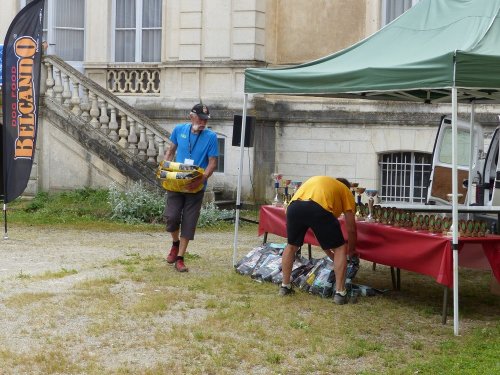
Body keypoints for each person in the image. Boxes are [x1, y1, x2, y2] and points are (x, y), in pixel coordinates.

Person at [279, 176, 357, 304]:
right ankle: (340, 293)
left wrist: (330, 254)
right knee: (341, 248)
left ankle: (285, 286)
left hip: (293, 207)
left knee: (291, 246)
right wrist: (352, 250)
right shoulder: (345, 190)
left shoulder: (323, 184)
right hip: (318, 209)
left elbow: (319, 232)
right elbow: (351, 228)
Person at [163, 103, 219, 272]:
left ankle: (180, 258)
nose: (203, 122)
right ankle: (175, 243)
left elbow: (213, 163)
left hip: (196, 186)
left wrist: (202, 179)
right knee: (171, 217)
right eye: (200, 118)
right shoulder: (179, 130)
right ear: (191, 116)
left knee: (189, 221)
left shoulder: (211, 137)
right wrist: (165, 169)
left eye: (206, 120)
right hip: (177, 182)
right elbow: (170, 151)